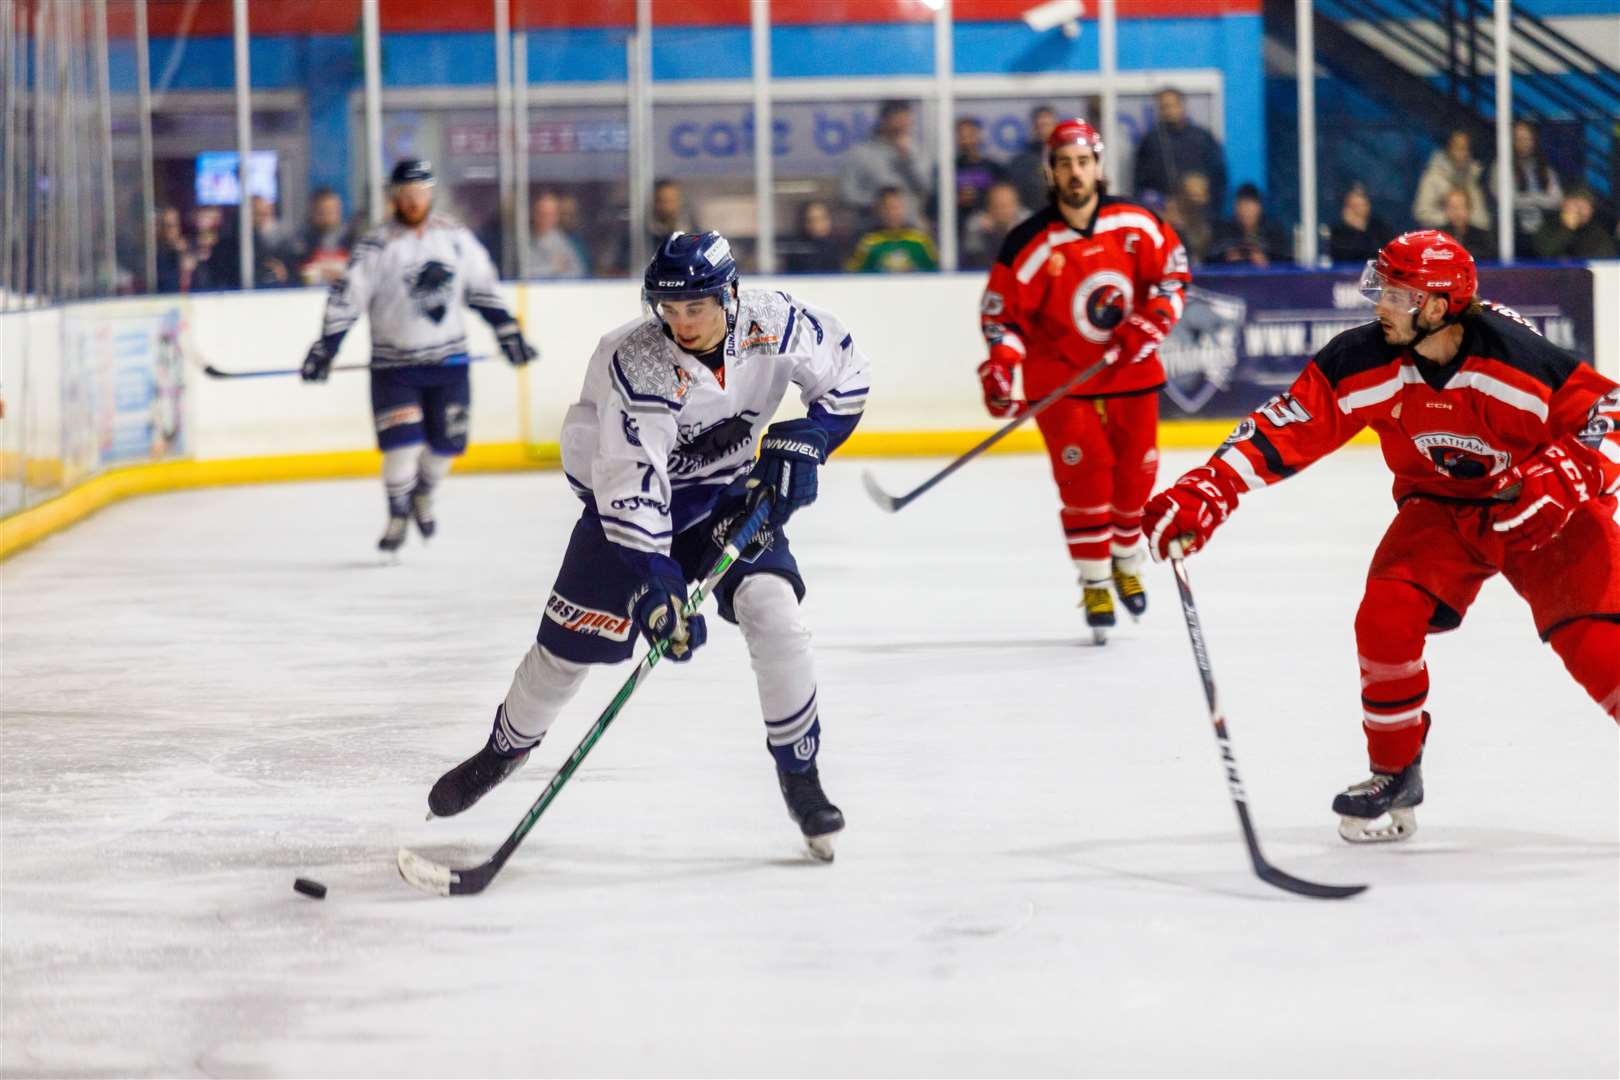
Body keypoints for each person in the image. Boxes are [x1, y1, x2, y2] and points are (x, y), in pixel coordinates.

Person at [1141, 230, 1620, 843]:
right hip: (1440, 507)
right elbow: (1281, 428)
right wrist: (1208, 489)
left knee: (1599, 653)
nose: (1379, 306)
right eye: (1382, 289)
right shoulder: (1363, 359)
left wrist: (1570, 472)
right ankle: (1394, 773)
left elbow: (1608, 413)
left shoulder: (1514, 359)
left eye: (1396, 294)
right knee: (1385, 616)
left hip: (1540, 508)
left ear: (1439, 306)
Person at [423, 230, 872, 860]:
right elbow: (631, 486)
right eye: (670, 308)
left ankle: (801, 775)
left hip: (725, 498)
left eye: (696, 307)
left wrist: (811, 438)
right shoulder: (636, 362)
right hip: (623, 512)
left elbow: (846, 375)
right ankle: (505, 749)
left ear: (730, 297)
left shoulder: (775, 321)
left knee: (774, 611)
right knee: (563, 657)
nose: (681, 323)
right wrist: (657, 587)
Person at [977, 118, 1191, 641]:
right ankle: (1096, 578)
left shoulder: (1138, 223)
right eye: (1064, 164)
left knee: (1136, 476)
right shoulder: (1030, 241)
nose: (1075, 173)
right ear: (1050, 172)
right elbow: (1003, 316)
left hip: (1132, 372)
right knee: (1086, 476)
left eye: (1083, 162)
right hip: (1061, 382)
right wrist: (1003, 364)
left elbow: (1174, 276)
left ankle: (1125, 560)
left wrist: (1152, 320)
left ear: (1099, 166)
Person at [300, 159, 537, 554]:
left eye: (419, 193)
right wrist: (327, 345)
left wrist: (507, 330)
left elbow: (482, 286)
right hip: (396, 369)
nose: (412, 201)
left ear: (430, 192)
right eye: (404, 195)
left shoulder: (455, 237)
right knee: (402, 446)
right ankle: (397, 514)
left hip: (450, 366)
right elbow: (347, 299)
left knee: (447, 447)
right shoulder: (376, 246)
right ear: (394, 197)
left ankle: (423, 494)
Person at [1132, 88, 1228, 214]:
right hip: (1164, 214)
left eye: (1173, 105)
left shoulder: (1202, 137)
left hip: (1200, 215)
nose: (1170, 111)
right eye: (1164, 107)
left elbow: (1218, 178)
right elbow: (1140, 184)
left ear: (1182, 105)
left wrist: (1210, 206)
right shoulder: (1150, 142)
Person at [839, 100, 933, 229]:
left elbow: (926, 187)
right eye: (899, 119)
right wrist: (879, 203)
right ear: (884, 120)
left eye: (907, 119)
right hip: (873, 231)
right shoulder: (861, 153)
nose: (904, 124)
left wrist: (908, 160)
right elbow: (847, 194)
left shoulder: (916, 152)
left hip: (910, 230)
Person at [1491, 120, 1563, 254]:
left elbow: (1557, 199)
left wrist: (1530, 199)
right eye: (1519, 138)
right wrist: (1539, 199)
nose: (1523, 143)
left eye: (1527, 138)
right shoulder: (1501, 166)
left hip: (1544, 228)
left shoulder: (1543, 166)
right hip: (1515, 229)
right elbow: (1507, 200)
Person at [845, 187, 939, 272]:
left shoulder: (919, 240)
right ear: (878, 210)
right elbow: (852, 274)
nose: (892, 213)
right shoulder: (868, 242)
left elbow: (935, 270)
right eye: (887, 208)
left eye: (896, 208)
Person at [1412, 130, 1489, 231]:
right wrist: (1451, 218)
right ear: (1448, 149)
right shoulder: (1433, 177)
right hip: (1438, 238)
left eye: (1465, 149)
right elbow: (1421, 212)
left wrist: (1467, 221)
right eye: (1458, 148)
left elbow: (1482, 220)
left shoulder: (1472, 178)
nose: (1462, 153)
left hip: (1468, 239)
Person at [1210, 182, 1291, 266]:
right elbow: (1210, 261)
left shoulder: (1273, 235)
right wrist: (1226, 258)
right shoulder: (1224, 233)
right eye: (1241, 206)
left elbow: (1285, 264)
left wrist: (1266, 261)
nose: (1245, 212)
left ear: (1259, 208)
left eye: (1249, 207)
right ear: (1235, 209)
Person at [1532, 187, 1617, 259]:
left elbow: (1606, 260)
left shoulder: (1597, 232)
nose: (1579, 211)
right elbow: (1545, 252)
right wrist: (1567, 229)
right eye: (1576, 204)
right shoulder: (1548, 226)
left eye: (1585, 206)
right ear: (1564, 205)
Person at [954, 117, 1006, 234]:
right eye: (962, 136)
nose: (967, 140)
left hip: (990, 226)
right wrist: (958, 200)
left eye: (970, 135)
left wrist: (991, 214)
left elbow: (1004, 198)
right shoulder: (949, 169)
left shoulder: (994, 167)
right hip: (957, 226)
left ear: (979, 136)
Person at [960, 180, 1026, 270]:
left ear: (1016, 205)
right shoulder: (977, 226)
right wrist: (991, 235)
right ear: (989, 207)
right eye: (998, 206)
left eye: (1007, 205)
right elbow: (974, 259)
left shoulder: (1027, 223)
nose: (1003, 210)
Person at [525, 190, 589, 279]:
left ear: (557, 216)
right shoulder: (523, 242)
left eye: (551, 214)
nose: (546, 218)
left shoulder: (566, 243)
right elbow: (522, 272)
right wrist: (552, 268)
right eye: (542, 213)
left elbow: (578, 272)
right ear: (533, 213)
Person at [1007, 105, 1058, 215]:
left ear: (1055, 126)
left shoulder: (1066, 155)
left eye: (1047, 125)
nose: (1043, 130)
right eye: (1039, 125)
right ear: (1033, 128)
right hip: (1030, 215)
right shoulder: (1020, 161)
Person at [1327, 183, 1392, 265]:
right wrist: (1354, 229)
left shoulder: (1378, 226)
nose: (1359, 209)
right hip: (1346, 274)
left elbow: (1380, 251)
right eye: (1355, 206)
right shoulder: (1339, 231)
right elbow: (1343, 255)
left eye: (1362, 205)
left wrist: (1360, 228)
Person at [299, 187, 352, 286]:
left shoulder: (351, 239)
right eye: (322, 212)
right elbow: (299, 273)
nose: (327, 216)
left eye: (331, 211)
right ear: (313, 212)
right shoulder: (301, 242)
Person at [781, 199, 844, 274]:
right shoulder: (798, 252)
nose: (817, 224)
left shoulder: (839, 248)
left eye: (823, 218)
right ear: (804, 223)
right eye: (811, 220)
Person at [1440, 187, 1494, 261]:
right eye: (1452, 207)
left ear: (1469, 209)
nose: (1457, 213)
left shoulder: (1483, 237)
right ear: (1445, 210)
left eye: (1461, 207)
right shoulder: (1439, 238)